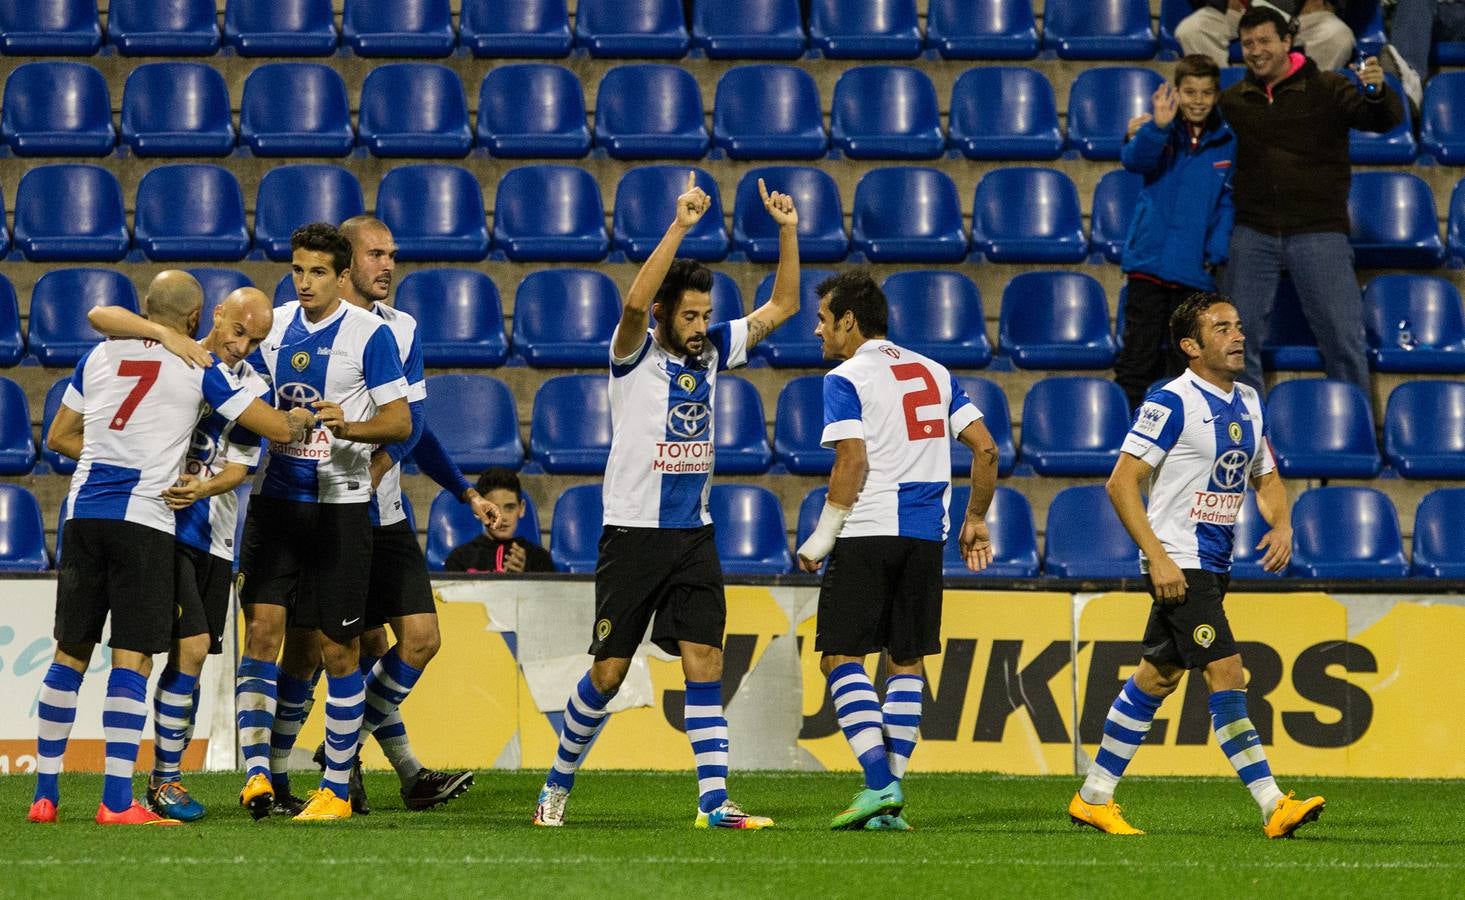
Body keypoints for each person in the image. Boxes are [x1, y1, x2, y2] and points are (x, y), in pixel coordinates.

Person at [532, 174, 801, 830]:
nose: (699, 326)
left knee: (704, 660)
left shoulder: (708, 352)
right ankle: (554, 788)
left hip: (693, 534)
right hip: (632, 534)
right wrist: (679, 224)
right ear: (661, 316)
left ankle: (713, 802)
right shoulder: (631, 354)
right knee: (607, 674)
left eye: (704, 315)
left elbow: (785, 306)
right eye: (688, 315)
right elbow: (630, 305)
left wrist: (788, 231)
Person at [30, 271, 309, 826]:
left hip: (83, 514)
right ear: (198, 318)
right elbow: (274, 426)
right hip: (146, 519)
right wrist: (296, 419)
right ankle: (116, 801)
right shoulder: (199, 369)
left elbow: (60, 432)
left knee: (70, 653)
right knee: (133, 657)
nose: (242, 347)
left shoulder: (100, 357)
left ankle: (45, 794)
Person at [1068, 292, 1325, 839]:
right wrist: (1157, 557)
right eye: (1222, 328)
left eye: (1238, 325)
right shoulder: (1173, 401)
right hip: (1179, 562)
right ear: (1191, 346)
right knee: (1226, 670)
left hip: (1213, 561)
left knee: (1156, 678)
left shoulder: (1251, 400)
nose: (1237, 336)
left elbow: (1265, 474)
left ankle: (1093, 796)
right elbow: (1120, 482)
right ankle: (1272, 802)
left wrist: (1281, 524)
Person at [278, 215, 493, 816]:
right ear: (345, 263)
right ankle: (377, 773)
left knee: (419, 640)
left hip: (384, 514)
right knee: (328, 648)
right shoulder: (296, 327)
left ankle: (338, 753)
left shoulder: (400, 328)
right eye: (376, 254)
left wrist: (461, 491)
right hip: (321, 513)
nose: (388, 266)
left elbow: (413, 424)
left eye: (392, 254)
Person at [794, 271, 999, 832]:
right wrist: (974, 518)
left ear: (848, 321)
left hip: (867, 529)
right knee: (905, 662)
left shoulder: (847, 376)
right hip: (925, 537)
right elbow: (986, 449)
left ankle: (881, 785)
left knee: (840, 657)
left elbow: (853, 463)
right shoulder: (935, 371)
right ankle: (889, 803)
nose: (817, 330)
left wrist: (822, 535)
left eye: (822, 319)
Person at [233, 223, 413, 823]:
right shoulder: (275, 324)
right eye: (297, 269)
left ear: (342, 278)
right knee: (262, 634)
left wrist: (344, 426)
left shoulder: (371, 334)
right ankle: (261, 775)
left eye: (317, 273)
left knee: (339, 649)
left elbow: (399, 423)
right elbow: (235, 384)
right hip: (277, 503)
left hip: (341, 504)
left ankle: (335, 787)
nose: (304, 282)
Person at [85, 286, 282, 821]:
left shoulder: (253, 386)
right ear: (215, 315)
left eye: (255, 339)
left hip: (216, 535)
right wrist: (164, 332)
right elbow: (101, 314)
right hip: (165, 528)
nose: (243, 346)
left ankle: (163, 777)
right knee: (189, 647)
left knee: (192, 656)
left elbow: (241, 467)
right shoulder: (175, 355)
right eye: (238, 331)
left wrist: (205, 488)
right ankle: (162, 780)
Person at [1221, 4, 1399, 397]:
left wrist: (1378, 93)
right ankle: (1246, 445)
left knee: (1343, 340)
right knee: (1235, 344)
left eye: (1265, 40)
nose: (1255, 50)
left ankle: (1358, 436)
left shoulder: (1328, 87)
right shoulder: (1233, 100)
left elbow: (1382, 119)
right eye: (1248, 43)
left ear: (1288, 42)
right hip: (1253, 234)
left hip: (1320, 234)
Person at [1116, 55, 1236, 412]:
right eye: (1190, 91)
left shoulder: (1228, 141)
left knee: (1184, 364)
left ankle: (1177, 438)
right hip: (1148, 264)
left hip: (1193, 273)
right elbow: (1134, 161)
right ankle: (1127, 441)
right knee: (1137, 356)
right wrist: (1157, 127)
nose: (1198, 100)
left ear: (1217, 95)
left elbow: (1227, 202)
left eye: (1206, 92)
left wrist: (1213, 253)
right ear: (1177, 92)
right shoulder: (1158, 129)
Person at [1176, 1, 1359, 71]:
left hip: (1302, 11)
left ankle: (1306, 105)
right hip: (1240, 8)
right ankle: (1222, 103)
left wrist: (1327, 3)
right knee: (1193, 30)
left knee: (1337, 36)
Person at [445, 468, 554, 574]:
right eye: (493, 509)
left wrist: (523, 579)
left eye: (510, 507)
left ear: (521, 508)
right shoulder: (459, 559)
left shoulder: (540, 559)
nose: (502, 517)